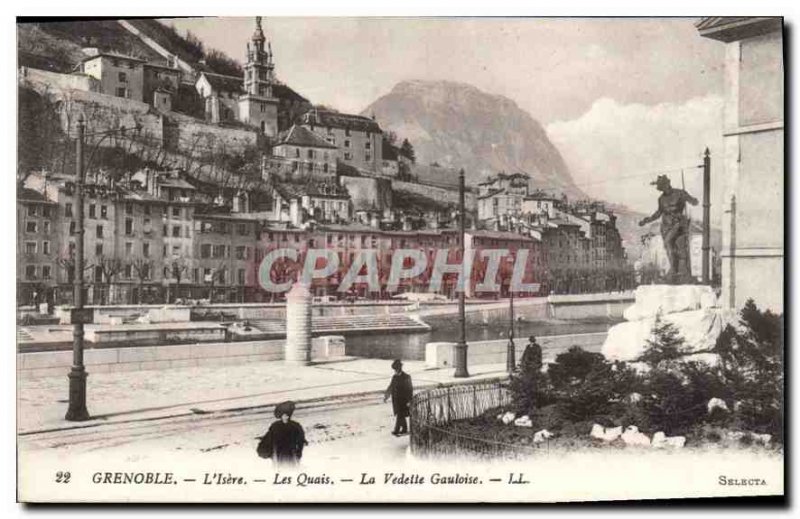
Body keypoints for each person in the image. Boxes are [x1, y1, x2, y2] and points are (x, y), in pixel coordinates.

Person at [638, 174, 699, 284]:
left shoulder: (680, 193)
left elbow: (692, 201)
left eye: (662, 186)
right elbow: (658, 213)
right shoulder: (661, 199)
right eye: (660, 188)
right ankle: (676, 271)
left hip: (678, 224)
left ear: (667, 184)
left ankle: (678, 271)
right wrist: (647, 220)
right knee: (670, 246)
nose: (662, 189)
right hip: (666, 226)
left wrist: (693, 200)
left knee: (674, 245)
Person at [256, 401, 308, 465]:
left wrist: (299, 453)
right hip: (279, 453)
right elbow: (270, 437)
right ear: (281, 416)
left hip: (291, 453)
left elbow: (301, 439)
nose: (287, 417)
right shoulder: (275, 426)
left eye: (288, 415)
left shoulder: (295, 426)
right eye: (285, 415)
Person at [384, 359, 413, 436]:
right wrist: (386, 396)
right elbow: (391, 387)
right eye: (394, 370)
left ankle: (396, 430)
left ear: (399, 368)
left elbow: (410, 390)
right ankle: (404, 429)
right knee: (400, 415)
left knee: (400, 415)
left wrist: (410, 400)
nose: (395, 371)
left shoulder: (406, 377)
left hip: (404, 400)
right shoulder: (394, 377)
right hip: (396, 400)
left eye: (396, 369)